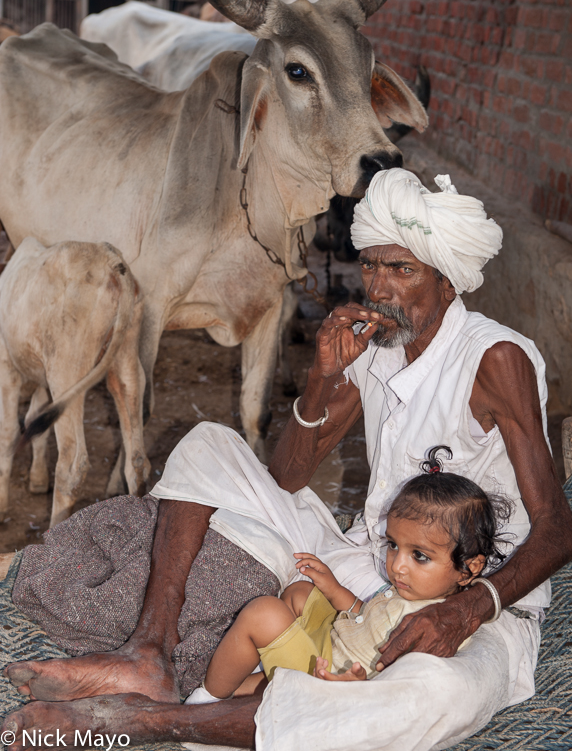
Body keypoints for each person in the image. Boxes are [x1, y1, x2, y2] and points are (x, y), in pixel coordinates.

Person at [3, 168, 572, 751]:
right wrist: (323, 380)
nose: (380, 288)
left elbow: (557, 529)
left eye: (402, 270)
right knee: (206, 445)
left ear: (447, 282)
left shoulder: (494, 359)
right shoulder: (377, 346)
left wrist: (467, 611)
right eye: (372, 266)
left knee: (432, 697)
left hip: (474, 595)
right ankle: (148, 655)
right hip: (366, 556)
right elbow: (288, 478)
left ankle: (144, 723)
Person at [189, 450, 513, 704]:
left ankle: (203, 706)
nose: (397, 565)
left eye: (420, 556)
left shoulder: (437, 627)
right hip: (331, 650)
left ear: (470, 567)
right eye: (393, 546)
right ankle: (251, 675)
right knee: (302, 592)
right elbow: (363, 614)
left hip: (335, 684)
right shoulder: (416, 591)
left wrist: (359, 691)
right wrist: (332, 587)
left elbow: (402, 690)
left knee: (264, 613)